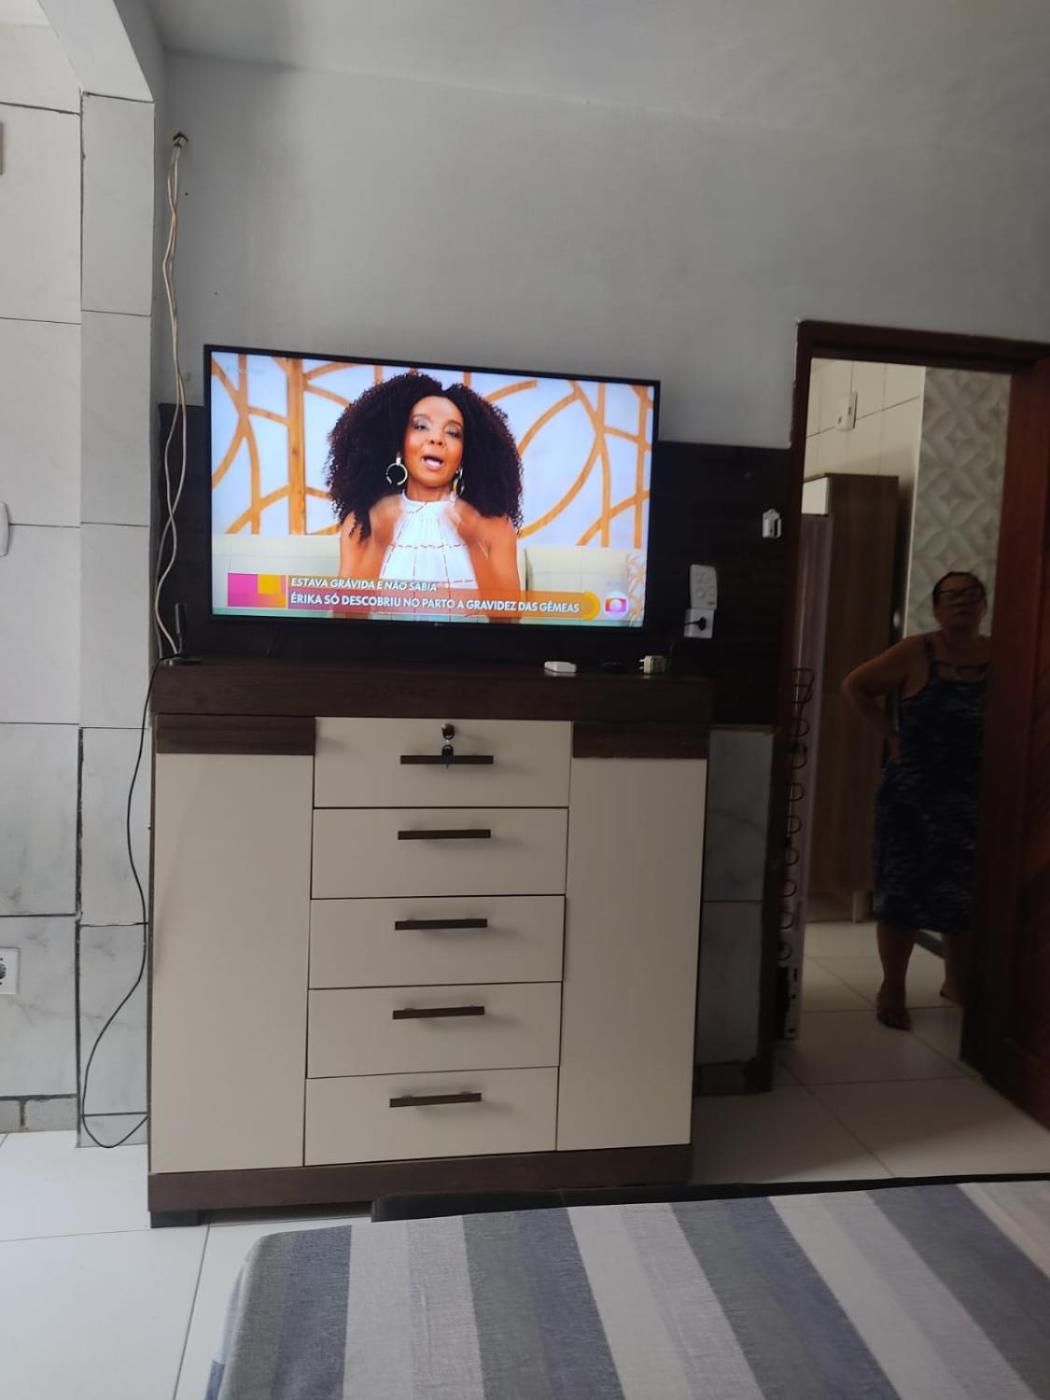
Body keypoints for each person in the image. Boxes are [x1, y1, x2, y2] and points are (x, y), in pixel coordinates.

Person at [841, 571, 990, 1030]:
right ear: (937, 607)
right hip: (912, 794)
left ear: (984, 605)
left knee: (962, 893)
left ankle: (958, 983)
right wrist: (889, 735)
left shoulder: (1002, 654)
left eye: (971, 595)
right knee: (901, 889)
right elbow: (855, 685)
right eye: (952, 596)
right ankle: (893, 987)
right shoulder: (915, 651)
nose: (962, 602)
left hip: (975, 793)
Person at [325, 372, 523, 616]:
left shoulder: (495, 525)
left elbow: (508, 621)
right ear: (398, 445)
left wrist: (473, 545)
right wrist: (378, 545)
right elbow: (345, 619)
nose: (436, 439)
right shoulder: (362, 522)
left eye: (452, 432)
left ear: (465, 454)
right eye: (421, 426)